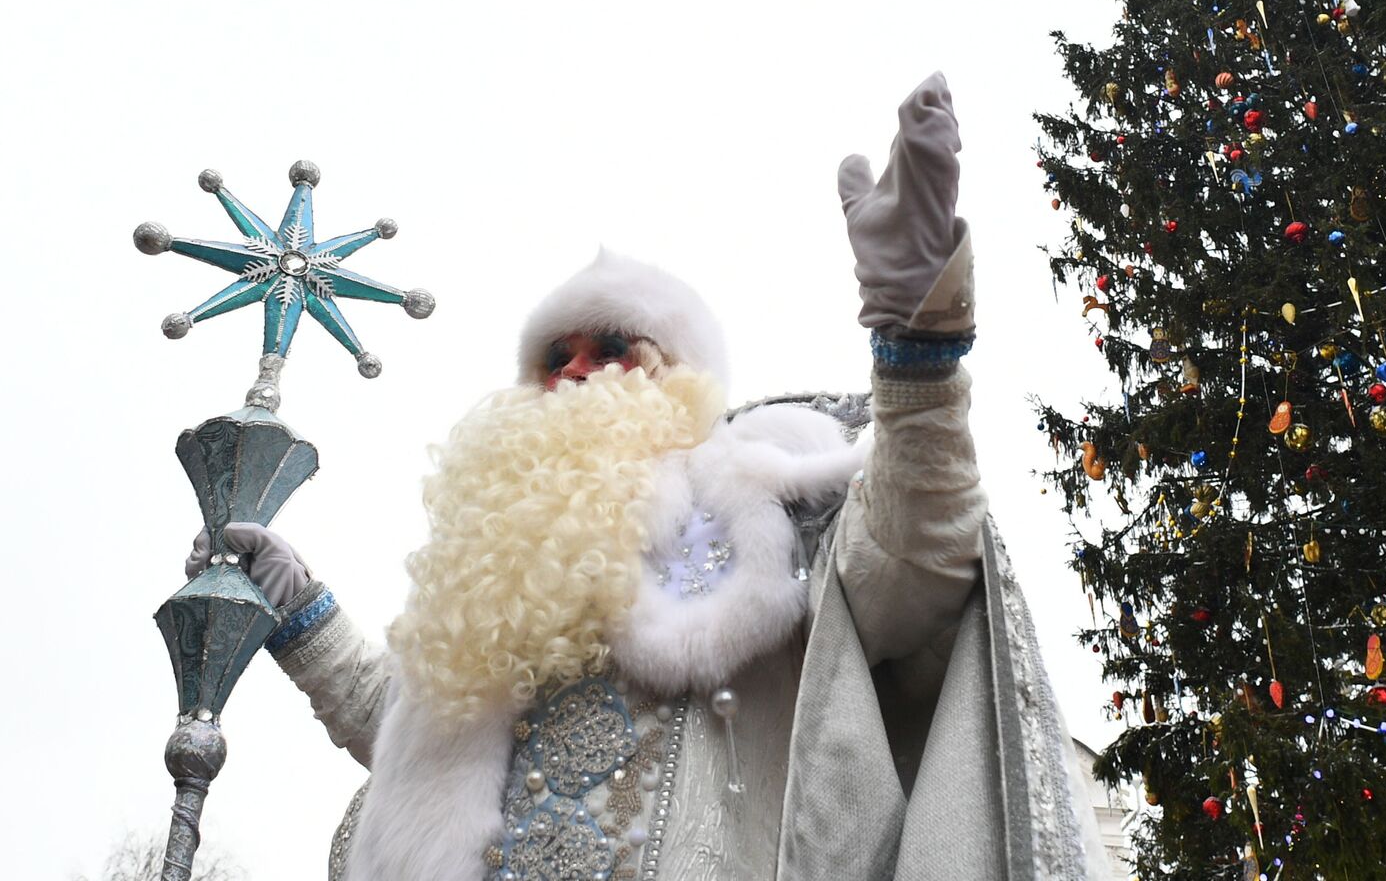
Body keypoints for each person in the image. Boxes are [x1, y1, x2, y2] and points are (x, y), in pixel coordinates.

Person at [187, 74, 1106, 881]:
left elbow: (915, 568)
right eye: (556, 356)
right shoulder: (501, 555)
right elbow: (405, 731)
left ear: (678, 375)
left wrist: (918, 359)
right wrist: (298, 610)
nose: (576, 371)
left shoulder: (767, 480)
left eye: (615, 346)